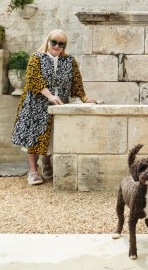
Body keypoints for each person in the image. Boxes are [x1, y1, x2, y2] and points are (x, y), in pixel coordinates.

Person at [11, 29, 96, 185]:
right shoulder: (36, 58)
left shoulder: (69, 60)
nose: (56, 46)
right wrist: (49, 95)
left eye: (60, 44)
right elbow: (33, 79)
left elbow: (76, 82)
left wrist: (84, 98)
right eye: (54, 42)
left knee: (51, 137)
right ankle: (33, 171)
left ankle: (46, 163)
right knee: (34, 137)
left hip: (59, 104)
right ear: (48, 42)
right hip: (35, 104)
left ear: (64, 46)